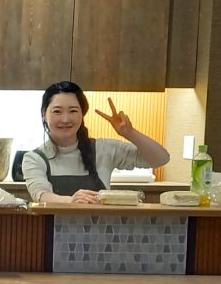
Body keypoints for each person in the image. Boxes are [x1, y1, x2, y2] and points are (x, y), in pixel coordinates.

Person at [22, 81, 170, 204]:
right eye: (57, 111)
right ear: (44, 114)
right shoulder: (34, 158)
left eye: (73, 111)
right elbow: (41, 195)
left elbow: (161, 159)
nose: (65, 119)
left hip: (101, 228)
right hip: (54, 228)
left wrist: (130, 133)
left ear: (82, 114)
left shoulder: (103, 149)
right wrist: (71, 201)